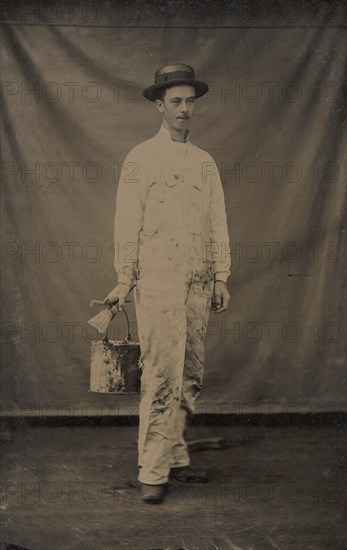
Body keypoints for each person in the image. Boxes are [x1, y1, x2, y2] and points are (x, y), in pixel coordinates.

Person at [105, 63, 231, 504]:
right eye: (174, 101)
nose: (183, 109)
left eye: (189, 100)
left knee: (191, 374)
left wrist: (220, 276)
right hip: (157, 280)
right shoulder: (141, 159)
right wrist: (124, 280)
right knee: (161, 374)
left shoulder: (204, 163)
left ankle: (175, 455)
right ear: (159, 105)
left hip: (198, 281)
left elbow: (218, 222)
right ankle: (152, 471)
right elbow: (127, 223)